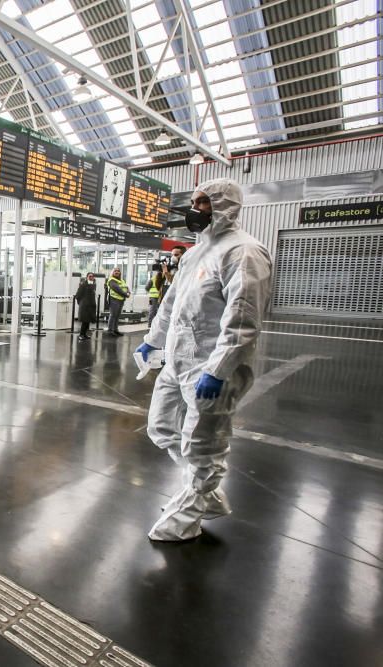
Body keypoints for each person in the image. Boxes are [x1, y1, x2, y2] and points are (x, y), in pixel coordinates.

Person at [135, 178, 272, 542]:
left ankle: (190, 512)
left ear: (225, 206)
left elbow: (243, 320)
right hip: (177, 362)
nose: (194, 209)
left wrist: (218, 369)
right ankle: (204, 491)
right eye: (194, 201)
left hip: (212, 368)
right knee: (162, 428)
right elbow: (171, 305)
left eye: (203, 202)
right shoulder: (196, 252)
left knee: (203, 443)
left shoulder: (244, 253)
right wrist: (152, 341)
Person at [106, 267, 130, 336]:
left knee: (117, 316)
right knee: (113, 315)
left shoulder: (122, 280)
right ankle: (110, 330)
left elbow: (125, 287)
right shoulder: (111, 280)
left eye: (118, 271)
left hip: (121, 300)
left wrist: (128, 292)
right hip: (114, 299)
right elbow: (117, 289)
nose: (117, 272)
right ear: (112, 272)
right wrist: (126, 294)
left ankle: (115, 330)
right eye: (115, 271)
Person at [74, 272, 97, 341]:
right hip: (85, 306)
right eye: (90, 276)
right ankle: (81, 335)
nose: (91, 277)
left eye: (92, 276)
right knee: (84, 321)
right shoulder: (83, 284)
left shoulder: (93, 284)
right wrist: (81, 303)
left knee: (88, 321)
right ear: (87, 277)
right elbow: (78, 295)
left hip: (91, 306)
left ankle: (84, 334)